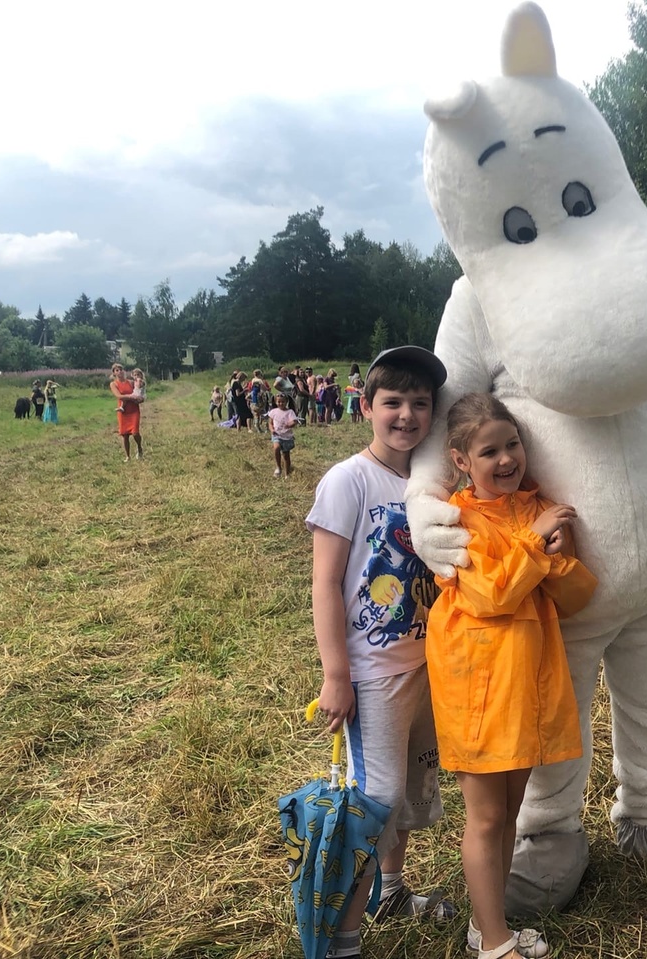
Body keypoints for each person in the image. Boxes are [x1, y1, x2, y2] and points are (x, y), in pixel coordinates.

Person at [427, 392, 597, 959]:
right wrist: (533, 544)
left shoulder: (533, 507)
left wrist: (557, 553)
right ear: (460, 460)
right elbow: (491, 593)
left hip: (525, 679)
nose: (506, 460)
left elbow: (574, 597)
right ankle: (494, 944)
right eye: (489, 451)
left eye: (513, 444)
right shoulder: (458, 519)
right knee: (486, 815)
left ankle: (487, 923)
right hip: (476, 683)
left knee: (510, 811)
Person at [304, 345, 456, 959]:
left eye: (420, 404)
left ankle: (390, 891)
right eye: (392, 402)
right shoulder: (349, 480)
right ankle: (342, 940)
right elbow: (324, 582)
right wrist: (336, 674)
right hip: (372, 671)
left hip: (426, 663)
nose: (406, 415)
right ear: (365, 406)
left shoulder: (429, 482)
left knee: (412, 788)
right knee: (376, 798)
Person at [109, 364, 144, 461]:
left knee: (135, 433)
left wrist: (140, 399)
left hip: (134, 410)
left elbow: (139, 391)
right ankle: (128, 456)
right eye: (117, 370)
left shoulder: (131, 382)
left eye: (121, 369)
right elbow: (119, 396)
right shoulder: (113, 384)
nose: (119, 371)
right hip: (123, 411)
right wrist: (131, 397)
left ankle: (139, 448)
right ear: (114, 373)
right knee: (125, 435)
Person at [267, 392, 298, 478]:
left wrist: (289, 424)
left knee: (286, 455)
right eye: (279, 402)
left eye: (282, 402)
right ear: (276, 402)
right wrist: (272, 429)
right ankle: (278, 467)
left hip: (286, 437)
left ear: (286, 402)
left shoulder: (290, 412)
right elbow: (270, 423)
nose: (280, 404)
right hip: (277, 435)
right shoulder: (273, 411)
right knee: (276, 448)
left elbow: (294, 421)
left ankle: (287, 473)